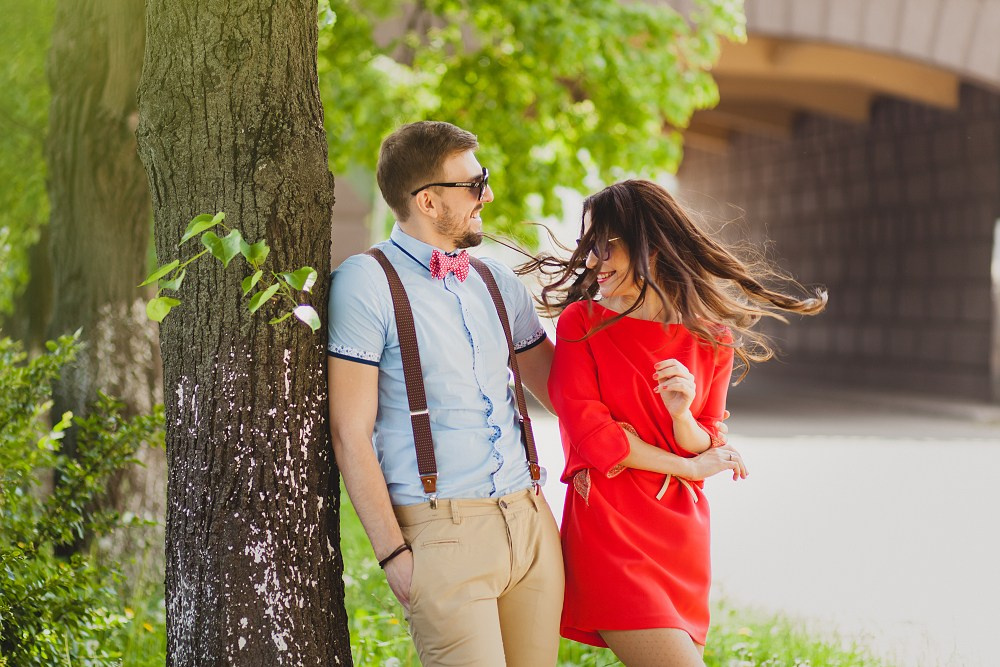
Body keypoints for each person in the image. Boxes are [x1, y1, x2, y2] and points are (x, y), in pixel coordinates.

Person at [536, 179, 826, 666]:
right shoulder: (580, 324)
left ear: (645, 242)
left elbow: (704, 439)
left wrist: (680, 413)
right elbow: (592, 436)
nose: (592, 261)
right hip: (614, 531)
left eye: (605, 245)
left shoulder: (712, 337)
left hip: (680, 534)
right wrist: (688, 468)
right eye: (589, 247)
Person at [326, 121, 564, 666]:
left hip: (530, 523)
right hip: (443, 533)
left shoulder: (497, 281)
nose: (489, 195)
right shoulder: (366, 282)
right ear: (429, 201)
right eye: (475, 184)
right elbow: (349, 432)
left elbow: (560, 390)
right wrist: (392, 554)